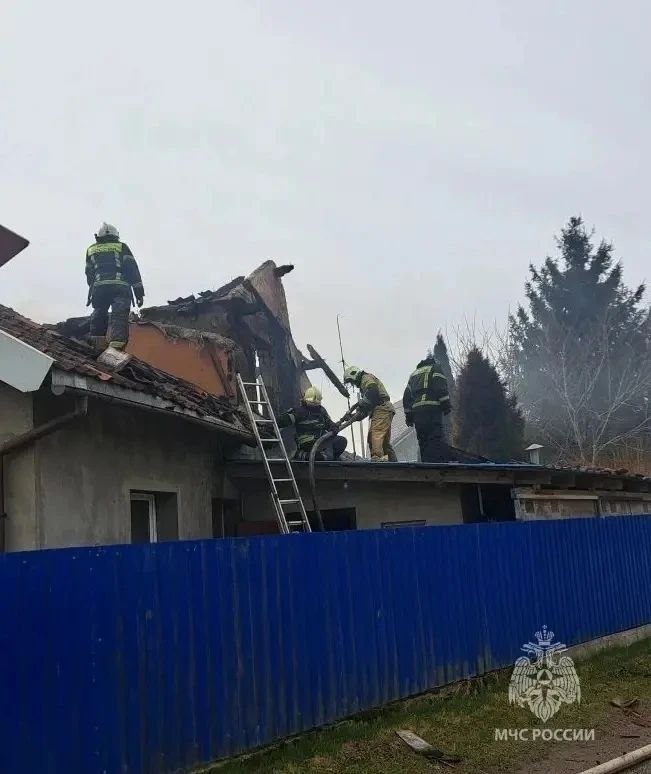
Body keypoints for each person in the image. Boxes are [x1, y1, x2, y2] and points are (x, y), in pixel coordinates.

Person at [85, 223, 145, 350]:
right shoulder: (121, 247)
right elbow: (132, 270)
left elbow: (89, 273)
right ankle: (116, 346)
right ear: (115, 235)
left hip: (99, 288)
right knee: (119, 315)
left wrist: (93, 289)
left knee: (99, 312)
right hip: (120, 288)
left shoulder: (91, 249)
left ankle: (97, 343)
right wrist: (139, 293)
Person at [403, 355, 451, 462]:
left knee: (422, 439)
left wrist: (409, 417)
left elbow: (407, 397)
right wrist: (446, 405)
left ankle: (425, 465)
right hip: (432, 409)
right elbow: (440, 387)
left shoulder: (413, 374)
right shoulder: (435, 368)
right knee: (435, 437)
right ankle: (436, 466)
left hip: (418, 413)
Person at [278, 386, 348, 461]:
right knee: (325, 456)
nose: (314, 407)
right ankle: (303, 455)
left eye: (316, 404)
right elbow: (280, 421)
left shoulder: (321, 411)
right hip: (307, 443)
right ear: (305, 400)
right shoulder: (298, 412)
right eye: (311, 404)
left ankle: (327, 458)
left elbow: (328, 424)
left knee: (341, 441)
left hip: (321, 442)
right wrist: (270, 425)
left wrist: (333, 427)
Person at [343, 365, 397, 462]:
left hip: (382, 409)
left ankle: (377, 459)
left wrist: (359, 403)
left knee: (375, 434)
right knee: (383, 441)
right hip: (383, 409)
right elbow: (365, 410)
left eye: (351, 381)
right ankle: (393, 462)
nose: (353, 384)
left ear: (354, 375)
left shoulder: (366, 378)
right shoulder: (364, 386)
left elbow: (373, 393)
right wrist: (351, 417)